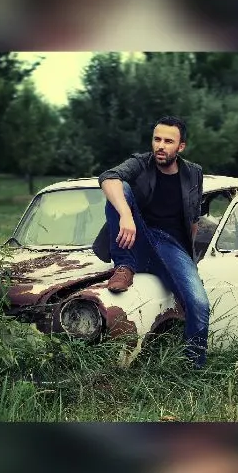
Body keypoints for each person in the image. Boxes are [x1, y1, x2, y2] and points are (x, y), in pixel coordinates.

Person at [92, 116, 210, 368]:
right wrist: (126, 215)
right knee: (119, 187)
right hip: (139, 237)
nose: (161, 146)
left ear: (181, 147)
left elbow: (194, 219)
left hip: (171, 246)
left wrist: (190, 260)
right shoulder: (140, 163)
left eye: (169, 141)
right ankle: (124, 265)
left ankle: (194, 369)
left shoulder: (194, 173)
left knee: (199, 304)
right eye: (157, 139)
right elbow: (108, 178)